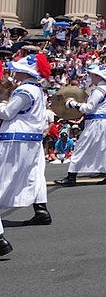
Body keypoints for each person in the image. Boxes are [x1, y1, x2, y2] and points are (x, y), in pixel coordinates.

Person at [0, 53, 54, 257]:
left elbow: (7, 114)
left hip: (15, 139)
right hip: (29, 139)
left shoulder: (24, 90)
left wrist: (2, 103)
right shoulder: (38, 90)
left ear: (24, 72)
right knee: (31, 175)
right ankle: (40, 209)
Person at [56, 64, 106, 186]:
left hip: (96, 123)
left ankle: (71, 177)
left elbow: (88, 108)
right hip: (105, 122)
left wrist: (72, 103)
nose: (89, 76)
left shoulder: (99, 90)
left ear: (97, 76)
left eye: (91, 74)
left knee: (81, 147)